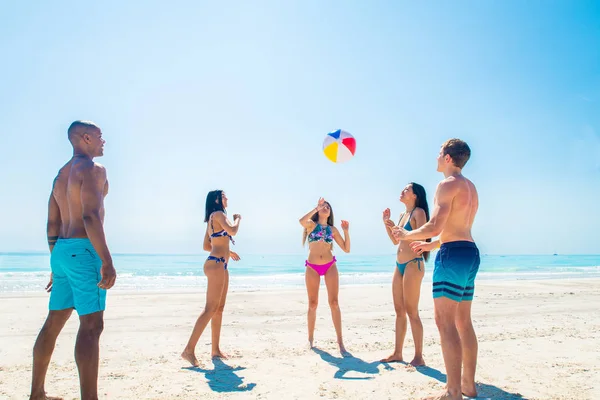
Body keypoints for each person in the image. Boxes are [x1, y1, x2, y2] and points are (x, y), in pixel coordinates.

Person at [30, 120, 116, 400]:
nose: (105, 141)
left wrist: (57, 264)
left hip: (62, 251)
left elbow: (51, 224)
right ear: (86, 138)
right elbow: (90, 216)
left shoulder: (60, 175)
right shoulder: (92, 169)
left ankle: (37, 393)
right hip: (84, 249)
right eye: (101, 137)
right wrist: (107, 260)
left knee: (53, 322)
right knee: (92, 326)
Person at [393, 139, 480, 400]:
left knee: (445, 322)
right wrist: (430, 245)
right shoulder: (470, 187)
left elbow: (435, 225)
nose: (436, 157)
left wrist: (405, 236)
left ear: (448, 158)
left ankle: (453, 392)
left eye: (440, 153)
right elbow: (454, 228)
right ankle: (468, 385)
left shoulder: (447, 184)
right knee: (463, 321)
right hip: (469, 252)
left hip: (452, 256)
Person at [182, 190, 241, 367]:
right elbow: (233, 231)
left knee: (219, 309)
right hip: (216, 264)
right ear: (217, 200)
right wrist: (238, 218)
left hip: (220, 264)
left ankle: (215, 350)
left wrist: (227, 251)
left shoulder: (212, 218)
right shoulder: (219, 214)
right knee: (210, 308)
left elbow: (207, 245)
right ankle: (189, 350)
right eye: (224, 196)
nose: (227, 198)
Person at [381, 182, 430, 366]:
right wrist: (387, 224)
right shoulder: (402, 215)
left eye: (407, 189)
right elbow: (396, 241)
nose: (402, 190)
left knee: (412, 311)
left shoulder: (419, 212)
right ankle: (398, 353)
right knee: (399, 311)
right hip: (399, 264)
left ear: (415, 195)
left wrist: (403, 232)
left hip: (413, 264)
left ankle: (419, 356)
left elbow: (424, 238)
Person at [299, 197, 350, 355]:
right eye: (323, 206)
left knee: (334, 303)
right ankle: (310, 339)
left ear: (330, 213)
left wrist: (346, 231)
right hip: (312, 267)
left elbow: (346, 249)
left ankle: (340, 342)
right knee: (313, 304)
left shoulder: (332, 230)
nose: (325, 208)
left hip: (330, 266)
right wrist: (316, 207)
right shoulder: (311, 225)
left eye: (328, 206)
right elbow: (301, 221)